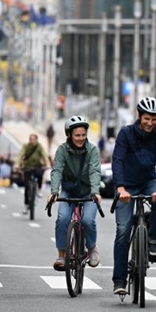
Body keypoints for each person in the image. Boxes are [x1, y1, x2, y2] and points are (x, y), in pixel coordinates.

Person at [111, 97, 156, 295]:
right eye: (147, 119)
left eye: (154, 120)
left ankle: (153, 240)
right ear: (139, 116)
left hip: (148, 182)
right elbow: (118, 160)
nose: (150, 123)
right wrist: (120, 188)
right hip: (126, 185)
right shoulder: (126, 134)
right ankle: (119, 280)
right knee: (123, 231)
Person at [47, 116, 102, 271]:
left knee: (87, 221)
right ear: (69, 135)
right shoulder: (62, 150)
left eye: (83, 135)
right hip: (69, 191)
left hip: (88, 192)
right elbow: (57, 170)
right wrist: (54, 192)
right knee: (63, 218)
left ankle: (91, 248)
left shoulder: (92, 150)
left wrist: (95, 191)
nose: (81, 138)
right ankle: (62, 255)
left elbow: (94, 171)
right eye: (77, 135)